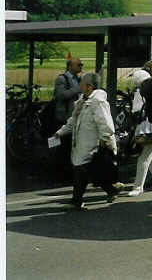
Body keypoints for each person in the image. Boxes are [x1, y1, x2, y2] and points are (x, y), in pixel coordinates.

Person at [51, 72, 119, 210]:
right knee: (93, 172)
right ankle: (111, 190)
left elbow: (105, 124)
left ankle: (77, 201)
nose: (79, 85)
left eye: (82, 83)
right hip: (82, 144)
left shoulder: (98, 102)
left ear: (89, 86)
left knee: (82, 171)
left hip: (93, 145)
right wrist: (60, 133)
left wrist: (104, 142)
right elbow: (72, 121)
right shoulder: (82, 102)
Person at [127, 69, 152, 197]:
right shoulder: (151, 90)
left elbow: (137, 111)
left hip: (147, 128)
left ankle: (138, 186)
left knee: (144, 158)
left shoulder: (142, 92)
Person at [52, 57, 83, 180]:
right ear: (70, 66)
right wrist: (77, 89)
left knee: (71, 146)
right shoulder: (62, 79)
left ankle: (69, 171)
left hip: (74, 117)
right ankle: (59, 172)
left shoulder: (78, 79)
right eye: (78, 65)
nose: (81, 67)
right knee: (62, 146)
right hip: (63, 117)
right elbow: (60, 95)